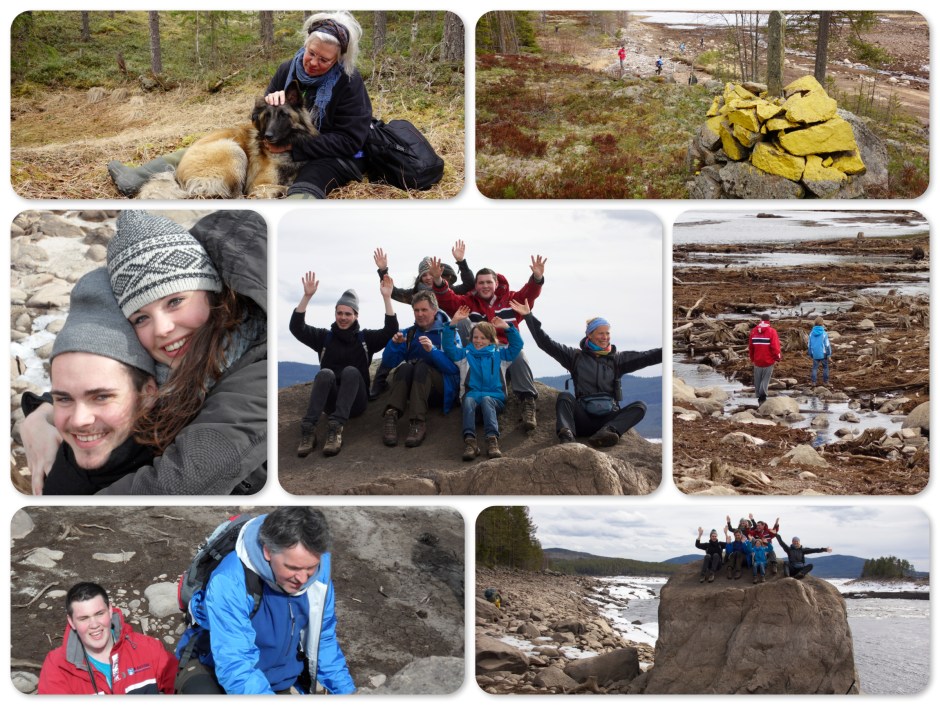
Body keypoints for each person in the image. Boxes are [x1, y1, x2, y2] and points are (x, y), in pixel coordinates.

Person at [20, 210, 268, 496]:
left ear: (213, 292)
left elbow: (187, 476)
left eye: (175, 301)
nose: (162, 328)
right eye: (140, 318)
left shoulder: (261, 369)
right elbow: (100, 369)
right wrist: (43, 409)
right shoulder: (181, 355)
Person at [108, 11, 371, 199]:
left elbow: (351, 141)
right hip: (279, 144)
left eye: (323, 60)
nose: (313, 63)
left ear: (338, 60)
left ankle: (295, 202)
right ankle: (136, 178)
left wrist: (294, 145)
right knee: (215, 143)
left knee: (310, 177)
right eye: (311, 53)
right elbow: (256, 118)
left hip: (326, 152)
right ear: (306, 45)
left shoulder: (348, 83)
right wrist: (267, 110)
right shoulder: (288, 69)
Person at [176, 508, 355, 694]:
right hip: (212, 669)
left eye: (310, 567)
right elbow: (235, 664)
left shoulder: (319, 573)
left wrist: (347, 692)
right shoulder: (230, 580)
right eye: (292, 568)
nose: (303, 579)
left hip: (278, 679)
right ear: (268, 551)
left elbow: (323, 639)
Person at [20, 268, 157, 495]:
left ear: (149, 394)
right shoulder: (56, 476)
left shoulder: (185, 451)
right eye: (64, 398)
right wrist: (38, 413)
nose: (80, 419)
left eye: (101, 397)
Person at [510, 300, 662, 446]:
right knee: (565, 397)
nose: (605, 337)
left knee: (640, 406)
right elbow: (546, 343)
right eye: (600, 333)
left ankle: (609, 432)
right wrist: (528, 317)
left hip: (607, 420)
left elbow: (647, 357)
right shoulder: (575, 357)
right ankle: (567, 436)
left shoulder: (617, 359)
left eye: (607, 333)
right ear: (589, 335)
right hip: (583, 419)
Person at [429, 255, 547, 431]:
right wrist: (438, 280)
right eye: (481, 283)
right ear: (475, 286)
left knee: (520, 355)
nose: (485, 286)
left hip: (503, 351)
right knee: (461, 319)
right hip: (476, 352)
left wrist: (537, 278)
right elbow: (448, 300)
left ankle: (527, 401)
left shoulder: (511, 300)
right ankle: (468, 398)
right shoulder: (469, 302)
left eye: (488, 282)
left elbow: (528, 295)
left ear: (496, 284)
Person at [288, 273, 397, 456]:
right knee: (325, 374)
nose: (343, 317)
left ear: (356, 315)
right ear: (335, 314)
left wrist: (387, 297)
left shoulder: (365, 339)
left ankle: (336, 429)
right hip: (331, 403)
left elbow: (390, 331)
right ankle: (308, 430)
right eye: (340, 313)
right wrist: (307, 297)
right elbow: (297, 328)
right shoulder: (324, 337)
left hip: (357, 402)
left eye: (348, 314)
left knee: (351, 372)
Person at [369, 240, 474, 399]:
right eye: (424, 274)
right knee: (397, 338)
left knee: (466, 323)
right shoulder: (415, 294)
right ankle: (380, 380)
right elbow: (392, 291)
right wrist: (383, 270)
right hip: (426, 333)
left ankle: (469, 368)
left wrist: (461, 262)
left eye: (430, 273)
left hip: (449, 334)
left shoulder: (448, 290)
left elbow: (469, 284)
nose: (427, 277)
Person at [38, 582, 177, 694]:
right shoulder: (58, 667)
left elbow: (179, 685)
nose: (94, 624)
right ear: (71, 622)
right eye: (84, 618)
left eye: (99, 614)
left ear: (110, 611)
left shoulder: (149, 649)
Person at [442, 306, 524, 460]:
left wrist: (507, 327)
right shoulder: (464, 355)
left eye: (483, 338)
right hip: (471, 399)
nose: (478, 341)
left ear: (491, 339)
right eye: (475, 337)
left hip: (495, 400)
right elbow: (448, 347)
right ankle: (470, 442)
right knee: (469, 400)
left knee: (487, 400)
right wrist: (453, 323)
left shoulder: (501, 355)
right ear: (471, 338)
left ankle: (492, 441)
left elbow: (517, 346)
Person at [380, 291, 459, 447]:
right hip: (415, 389)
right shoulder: (410, 333)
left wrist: (433, 351)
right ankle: (391, 416)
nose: (420, 314)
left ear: (435, 311)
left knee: (422, 366)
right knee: (405, 367)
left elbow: (454, 369)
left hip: (441, 390)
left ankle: (418, 422)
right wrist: (395, 345)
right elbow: (388, 361)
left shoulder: (448, 333)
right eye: (416, 310)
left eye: (424, 310)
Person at [748, 312, 781, 405]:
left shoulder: (753, 331)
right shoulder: (772, 331)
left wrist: (752, 358)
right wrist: (778, 357)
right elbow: (775, 347)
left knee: (757, 379)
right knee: (766, 379)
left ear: (760, 320)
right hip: (768, 360)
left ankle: (759, 397)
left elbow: (751, 347)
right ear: (769, 321)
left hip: (757, 360)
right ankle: (763, 395)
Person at [808, 316, 832, 385]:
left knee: (815, 368)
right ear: (822, 324)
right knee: (825, 367)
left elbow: (809, 344)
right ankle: (826, 382)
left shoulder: (811, 333)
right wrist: (829, 354)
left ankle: (813, 382)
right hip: (823, 353)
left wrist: (810, 353)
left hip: (815, 353)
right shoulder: (824, 333)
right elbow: (827, 345)